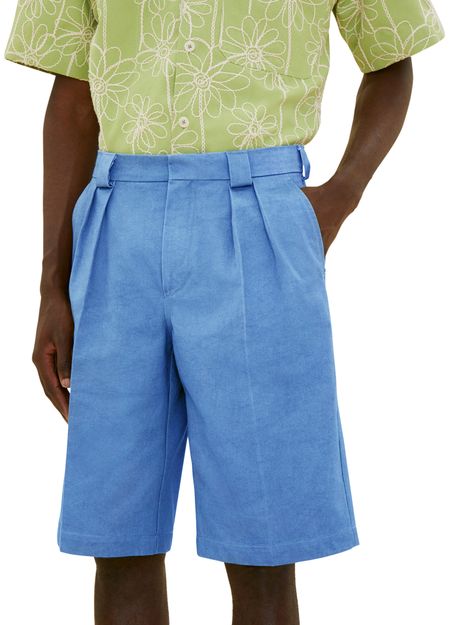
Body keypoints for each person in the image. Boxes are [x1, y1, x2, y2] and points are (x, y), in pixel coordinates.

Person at [4, 1, 445, 624]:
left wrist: (340, 196)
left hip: (255, 216)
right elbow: (75, 96)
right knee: (118, 538)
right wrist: (52, 284)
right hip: (117, 225)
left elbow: (391, 57)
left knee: (262, 545)